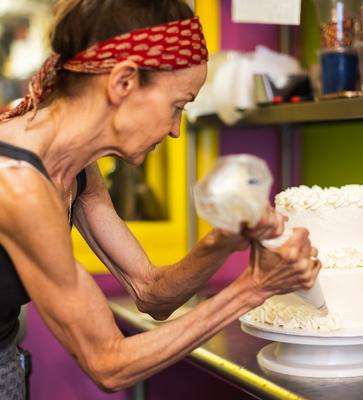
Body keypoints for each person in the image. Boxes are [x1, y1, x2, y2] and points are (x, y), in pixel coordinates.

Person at [0, 0, 321, 398]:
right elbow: (109, 364)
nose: (174, 130)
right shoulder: (15, 181)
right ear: (123, 82)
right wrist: (254, 288)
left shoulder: (75, 167)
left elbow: (150, 292)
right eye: (177, 106)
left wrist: (221, 242)